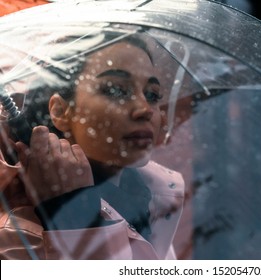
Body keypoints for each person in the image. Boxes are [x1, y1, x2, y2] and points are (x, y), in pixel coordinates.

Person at [0, 31, 185, 259]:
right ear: (60, 111)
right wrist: (76, 220)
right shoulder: (16, 238)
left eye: (152, 95)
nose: (145, 109)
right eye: (116, 90)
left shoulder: (156, 198)